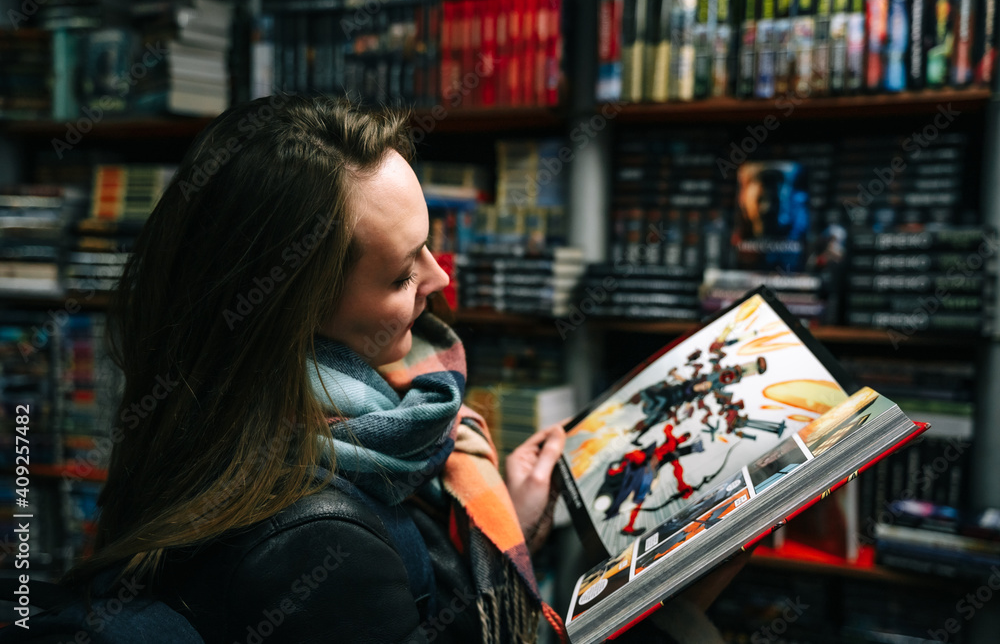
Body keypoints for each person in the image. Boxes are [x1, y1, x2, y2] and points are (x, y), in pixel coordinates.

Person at [55, 95, 741, 643]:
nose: (439, 277)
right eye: (397, 272)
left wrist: (504, 526)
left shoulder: (218, 424)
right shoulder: (314, 544)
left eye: (430, 245)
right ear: (289, 312)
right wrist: (671, 610)